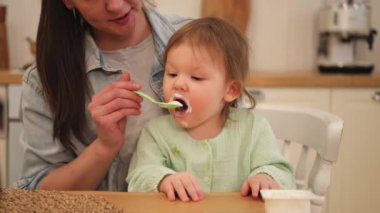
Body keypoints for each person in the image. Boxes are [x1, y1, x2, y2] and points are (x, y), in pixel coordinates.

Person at [17, 0, 191, 191]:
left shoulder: (202, 38)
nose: (115, 6)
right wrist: (104, 147)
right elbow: (35, 193)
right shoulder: (43, 81)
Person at [126, 17, 295, 202]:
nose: (178, 84)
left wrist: (266, 178)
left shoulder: (253, 129)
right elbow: (138, 178)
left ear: (230, 90)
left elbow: (281, 172)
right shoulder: (156, 132)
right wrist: (164, 180)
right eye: (172, 74)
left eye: (196, 77)